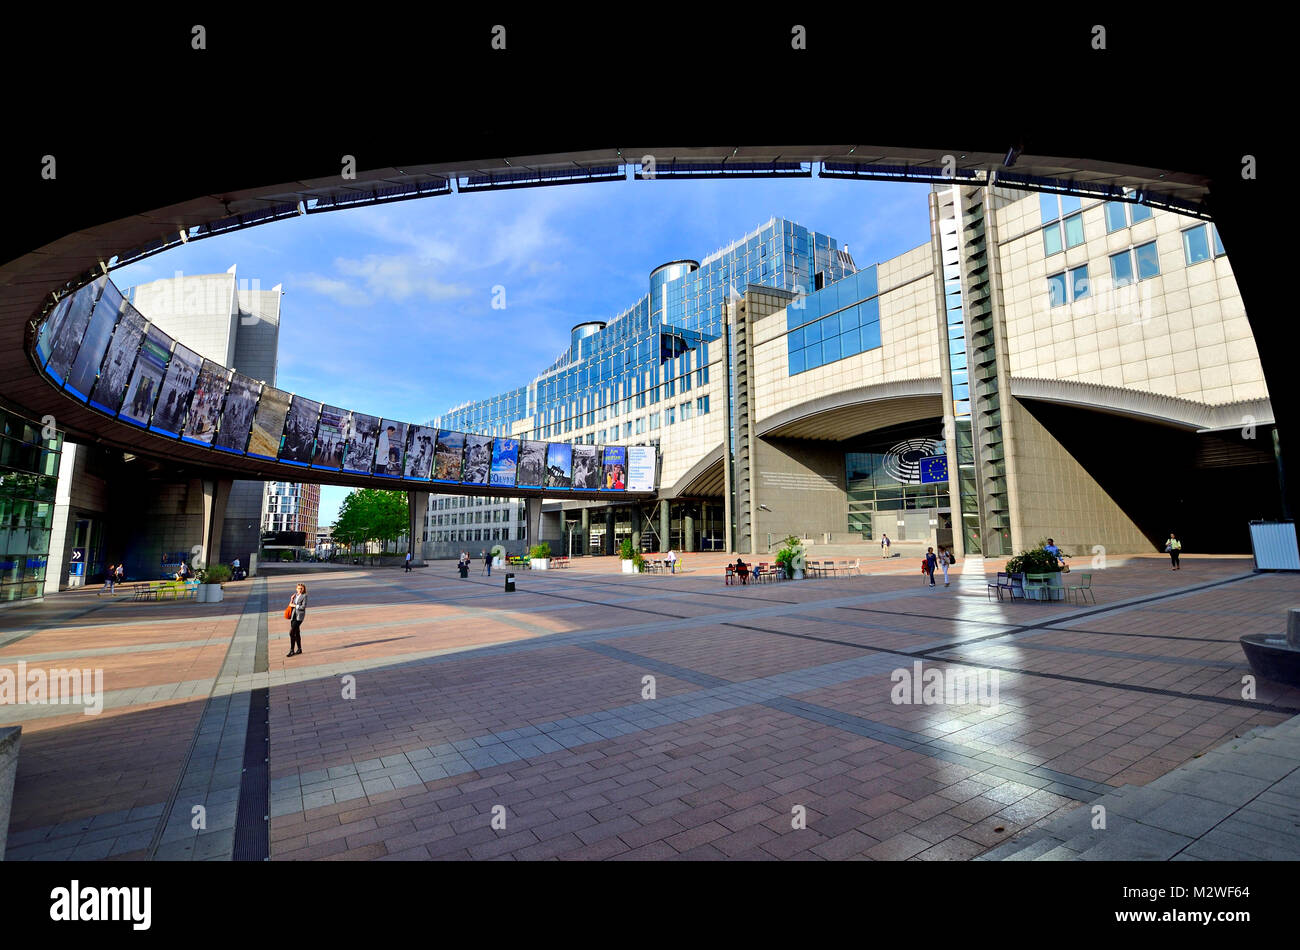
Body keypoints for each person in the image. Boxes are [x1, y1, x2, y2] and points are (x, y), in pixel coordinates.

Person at [286, 583, 307, 657]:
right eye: (299, 588)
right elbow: (290, 605)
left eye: (301, 588)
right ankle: (299, 649)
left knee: (291, 632)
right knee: (297, 632)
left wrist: (295, 605)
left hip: (299, 617)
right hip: (293, 615)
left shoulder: (304, 596)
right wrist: (291, 599)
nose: (300, 590)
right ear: (296, 589)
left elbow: (303, 607)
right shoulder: (295, 595)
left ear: (303, 589)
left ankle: (292, 650)